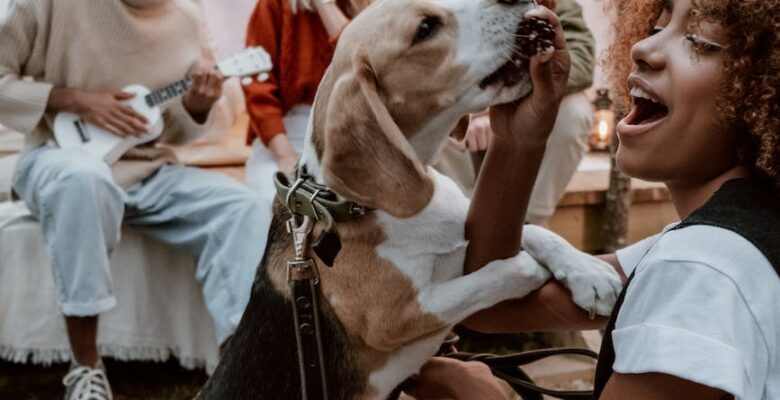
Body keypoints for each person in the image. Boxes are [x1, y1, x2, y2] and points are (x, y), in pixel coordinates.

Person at [408, 0, 780, 398]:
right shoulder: (734, 242)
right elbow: (488, 299)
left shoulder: (703, 268)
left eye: (701, 40)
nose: (643, 49)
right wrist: (517, 141)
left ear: (763, 87)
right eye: (657, 27)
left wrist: (484, 395)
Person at [0, 0, 268, 398]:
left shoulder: (186, 18)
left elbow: (175, 131)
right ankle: (86, 369)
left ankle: (240, 372)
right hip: (56, 159)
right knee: (85, 178)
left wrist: (196, 107)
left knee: (245, 207)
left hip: (147, 168)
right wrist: (73, 99)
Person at [446, 0, 595, 227]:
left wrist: (501, 97)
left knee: (575, 111)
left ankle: (529, 226)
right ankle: (460, 226)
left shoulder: (560, 5)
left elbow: (580, 62)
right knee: (432, 116)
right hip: (464, 115)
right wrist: (474, 105)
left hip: (518, 111)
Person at [243, 0, 368, 206]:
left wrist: (325, 5)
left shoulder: (372, 5)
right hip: (287, 135)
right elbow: (258, 89)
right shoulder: (272, 5)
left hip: (354, 133)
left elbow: (363, 64)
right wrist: (284, 155)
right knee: (275, 202)